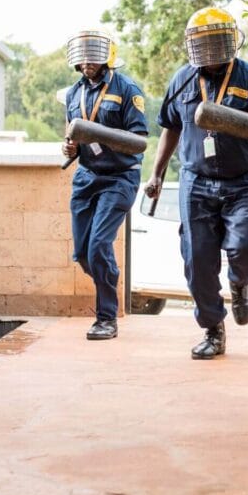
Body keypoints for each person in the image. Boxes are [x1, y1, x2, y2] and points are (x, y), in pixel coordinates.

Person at [145, 7, 248, 360]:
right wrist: (157, 173)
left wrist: (230, 121)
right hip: (196, 180)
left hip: (244, 181)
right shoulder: (182, 80)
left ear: (230, 41)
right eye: (202, 44)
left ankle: (240, 283)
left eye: (216, 42)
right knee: (197, 259)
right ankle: (213, 329)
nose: (209, 51)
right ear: (193, 46)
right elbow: (170, 127)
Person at [62, 30, 148, 341]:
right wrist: (71, 149)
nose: (87, 62)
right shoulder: (73, 94)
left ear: (106, 57)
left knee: (99, 245)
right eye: (82, 57)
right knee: (84, 254)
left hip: (119, 177)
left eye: (93, 56)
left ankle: (106, 318)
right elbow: (71, 136)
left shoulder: (127, 90)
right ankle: (108, 275)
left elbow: (139, 141)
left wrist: (102, 136)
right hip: (86, 177)